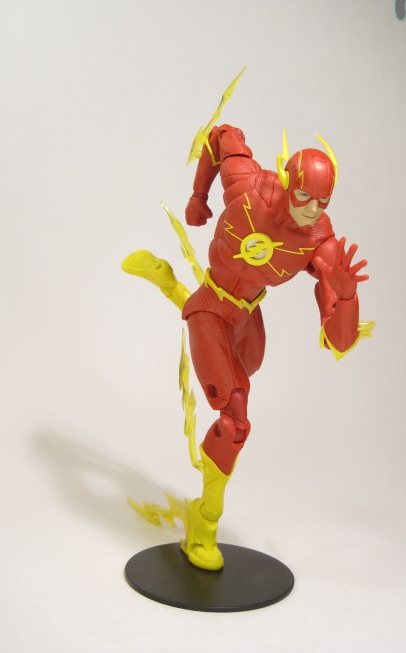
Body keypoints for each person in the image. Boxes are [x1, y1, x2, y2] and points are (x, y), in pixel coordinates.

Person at [123, 123, 371, 571]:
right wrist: (198, 196)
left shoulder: (321, 242)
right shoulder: (249, 186)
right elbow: (221, 136)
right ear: (288, 183)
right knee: (234, 420)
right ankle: (204, 524)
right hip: (213, 307)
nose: (311, 211)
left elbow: (340, 341)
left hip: (247, 318)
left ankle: (170, 285)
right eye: (304, 197)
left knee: (241, 378)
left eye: (323, 202)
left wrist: (346, 296)